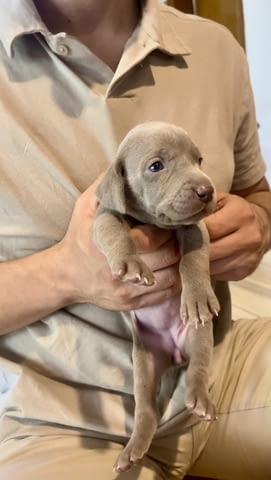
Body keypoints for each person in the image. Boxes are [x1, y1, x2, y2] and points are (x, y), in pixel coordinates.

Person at [0, 0, 270, 479]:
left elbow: (256, 195)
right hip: (57, 418)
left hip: (219, 362)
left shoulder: (214, 47)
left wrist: (259, 227)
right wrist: (63, 274)